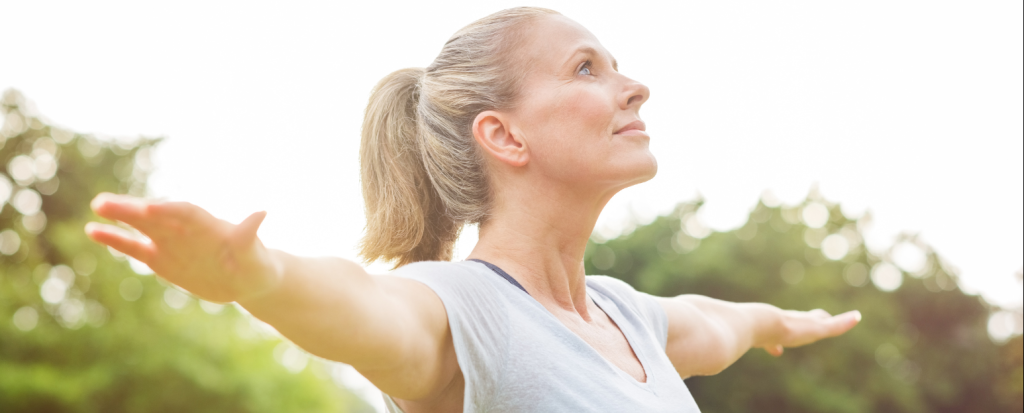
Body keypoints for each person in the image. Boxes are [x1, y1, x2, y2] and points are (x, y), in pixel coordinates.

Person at [85, 7, 861, 413]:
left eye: (618, 66)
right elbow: (365, 306)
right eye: (587, 67)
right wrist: (259, 275)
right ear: (504, 135)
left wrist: (786, 322)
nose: (634, 87)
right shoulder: (467, 309)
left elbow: (722, 323)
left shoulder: (630, 318)